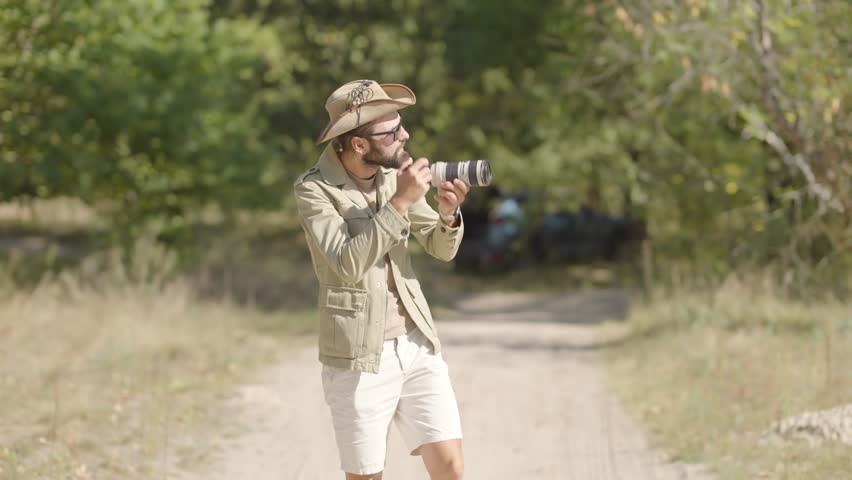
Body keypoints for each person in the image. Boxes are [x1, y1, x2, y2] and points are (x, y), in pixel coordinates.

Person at [293, 79, 469, 480]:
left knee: (453, 470)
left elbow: (442, 249)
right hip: (358, 357)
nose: (404, 135)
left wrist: (446, 214)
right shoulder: (314, 191)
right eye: (392, 131)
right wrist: (401, 202)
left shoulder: (394, 175)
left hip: (416, 342)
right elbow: (345, 263)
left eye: (402, 125)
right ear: (358, 144)